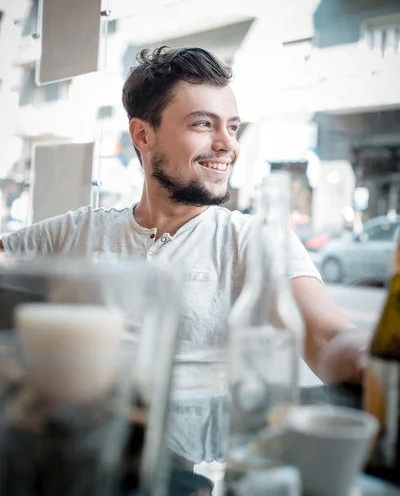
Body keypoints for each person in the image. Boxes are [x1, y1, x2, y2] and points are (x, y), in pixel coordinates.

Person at [0, 46, 369, 387]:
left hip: (196, 456)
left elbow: (327, 337)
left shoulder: (253, 239)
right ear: (143, 136)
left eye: (233, 126)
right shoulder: (74, 232)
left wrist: (369, 358)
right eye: (203, 124)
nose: (228, 144)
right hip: (88, 445)